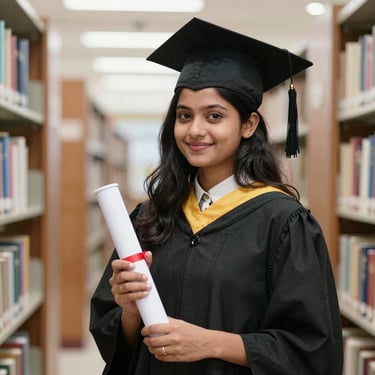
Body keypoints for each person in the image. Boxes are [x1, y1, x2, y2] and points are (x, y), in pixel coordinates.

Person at [89, 17, 343, 375]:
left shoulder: (283, 222)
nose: (195, 130)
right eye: (184, 115)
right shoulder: (149, 217)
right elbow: (116, 340)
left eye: (214, 116)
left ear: (248, 125)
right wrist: (129, 309)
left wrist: (211, 343)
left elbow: (313, 348)